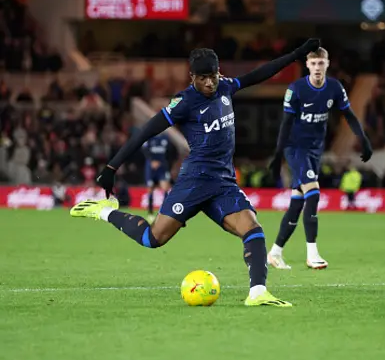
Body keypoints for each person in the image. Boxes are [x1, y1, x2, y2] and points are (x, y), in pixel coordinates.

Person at [70, 39, 321, 307]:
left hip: (223, 182)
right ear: (193, 78)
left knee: (253, 230)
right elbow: (145, 131)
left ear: (218, 72)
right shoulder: (184, 102)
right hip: (194, 181)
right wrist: (111, 167)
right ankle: (104, 211)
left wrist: (295, 55)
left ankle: (258, 292)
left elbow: (259, 74)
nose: (209, 83)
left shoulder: (225, 87)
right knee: (152, 239)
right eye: (203, 78)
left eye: (212, 76)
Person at [267, 48, 372, 270]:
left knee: (297, 203)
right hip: (295, 148)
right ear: (307, 65)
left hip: (315, 150)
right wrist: (278, 156)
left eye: (321, 63)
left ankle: (275, 253)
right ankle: (312, 254)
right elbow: (286, 124)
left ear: (327, 64)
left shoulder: (334, 87)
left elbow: (349, 114)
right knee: (313, 193)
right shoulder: (296, 89)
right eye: (313, 64)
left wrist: (364, 140)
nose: (317, 68)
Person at [142, 134, 171, 222]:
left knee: (165, 188)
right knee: (150, 188)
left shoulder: (165, 138)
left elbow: (170, 152)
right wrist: (152, 161)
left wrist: (165, 162)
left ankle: (165, 212)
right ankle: (150, 212)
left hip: (162, 166)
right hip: (151, 167)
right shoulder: (150, 137)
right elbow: (144, 149)